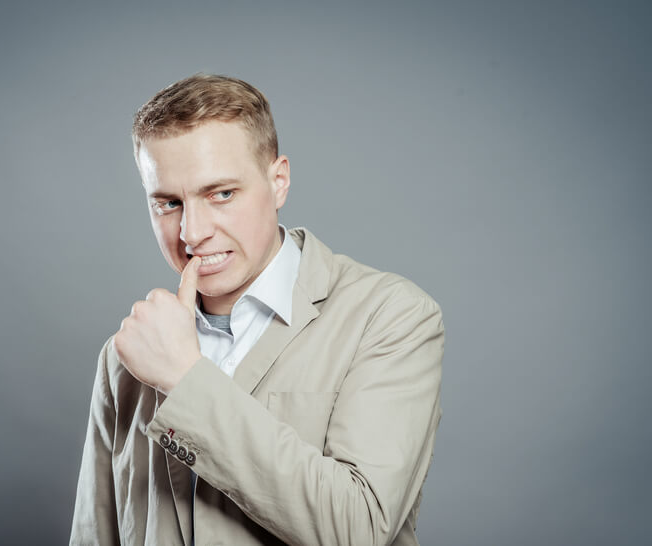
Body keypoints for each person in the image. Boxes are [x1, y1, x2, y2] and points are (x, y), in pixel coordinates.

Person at [70, 73, 445, 546]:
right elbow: (94, 535)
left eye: (221, 194)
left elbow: (360, 529)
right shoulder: (123, 356)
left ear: (279, 182)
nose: (191, 232)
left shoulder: (391, 316)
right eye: (168, 203)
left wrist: (185, 381)